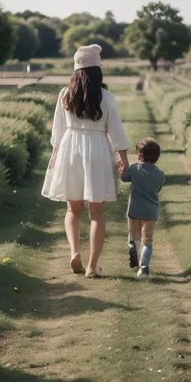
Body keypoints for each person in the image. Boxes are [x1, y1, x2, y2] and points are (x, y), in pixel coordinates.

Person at [41, 44, 129, 278]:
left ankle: (73, 252)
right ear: (97, 70)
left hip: (70, 149)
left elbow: (57, 134)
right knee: (97, 215)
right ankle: (92, 266)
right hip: (97, 150)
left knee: (72, 209)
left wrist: (55, 157)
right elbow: (117, 133)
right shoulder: (107, 97)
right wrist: (124, 163)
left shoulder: (64, 94)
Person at [120, 138, 165, 278]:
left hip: (134, 209)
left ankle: (132, 247)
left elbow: (124, 177)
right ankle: (144, 267)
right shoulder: (160, 174)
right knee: (148, 240)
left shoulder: (135, 169)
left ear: (140, 155)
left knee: (134, 236)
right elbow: (157, 189)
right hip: (150, 211)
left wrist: (122, 167)